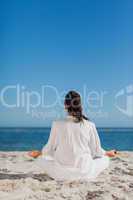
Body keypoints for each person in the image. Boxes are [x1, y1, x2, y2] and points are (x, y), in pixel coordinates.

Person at [28, 91, 117, 182]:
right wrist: (106, 153)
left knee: (44, 158)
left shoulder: (57, 124)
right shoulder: (90, 125)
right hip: (85, 172)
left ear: (65, 105)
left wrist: (40, 153)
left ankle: (38, 155)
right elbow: (96, 151)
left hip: (61, 173)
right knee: (105, 159)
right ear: (80, 105)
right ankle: (106, 155)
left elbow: (49, 149)